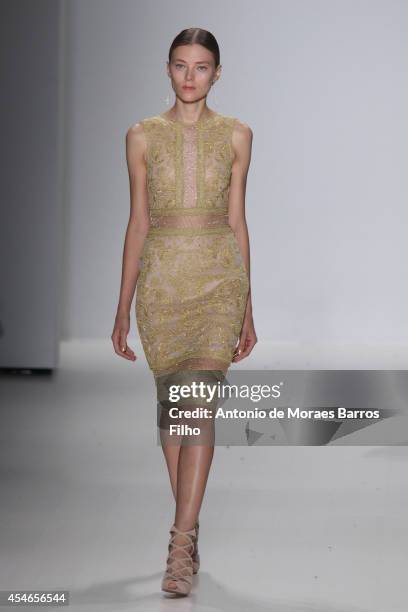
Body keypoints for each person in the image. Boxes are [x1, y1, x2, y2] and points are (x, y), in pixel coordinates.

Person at [111, 27, 257, 597]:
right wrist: (122, 305)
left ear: (217, 72)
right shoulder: (141, 136)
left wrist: (247, 305)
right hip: (163, 283)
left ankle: (178, 544)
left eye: (201, 67)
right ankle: (190, 535)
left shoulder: (238, 135)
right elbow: (138, 223)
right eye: (180, 66)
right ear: (167, 70)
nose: (190, 77)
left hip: (219, 280)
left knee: (197, 406)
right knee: (175, 417)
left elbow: (240, 222)